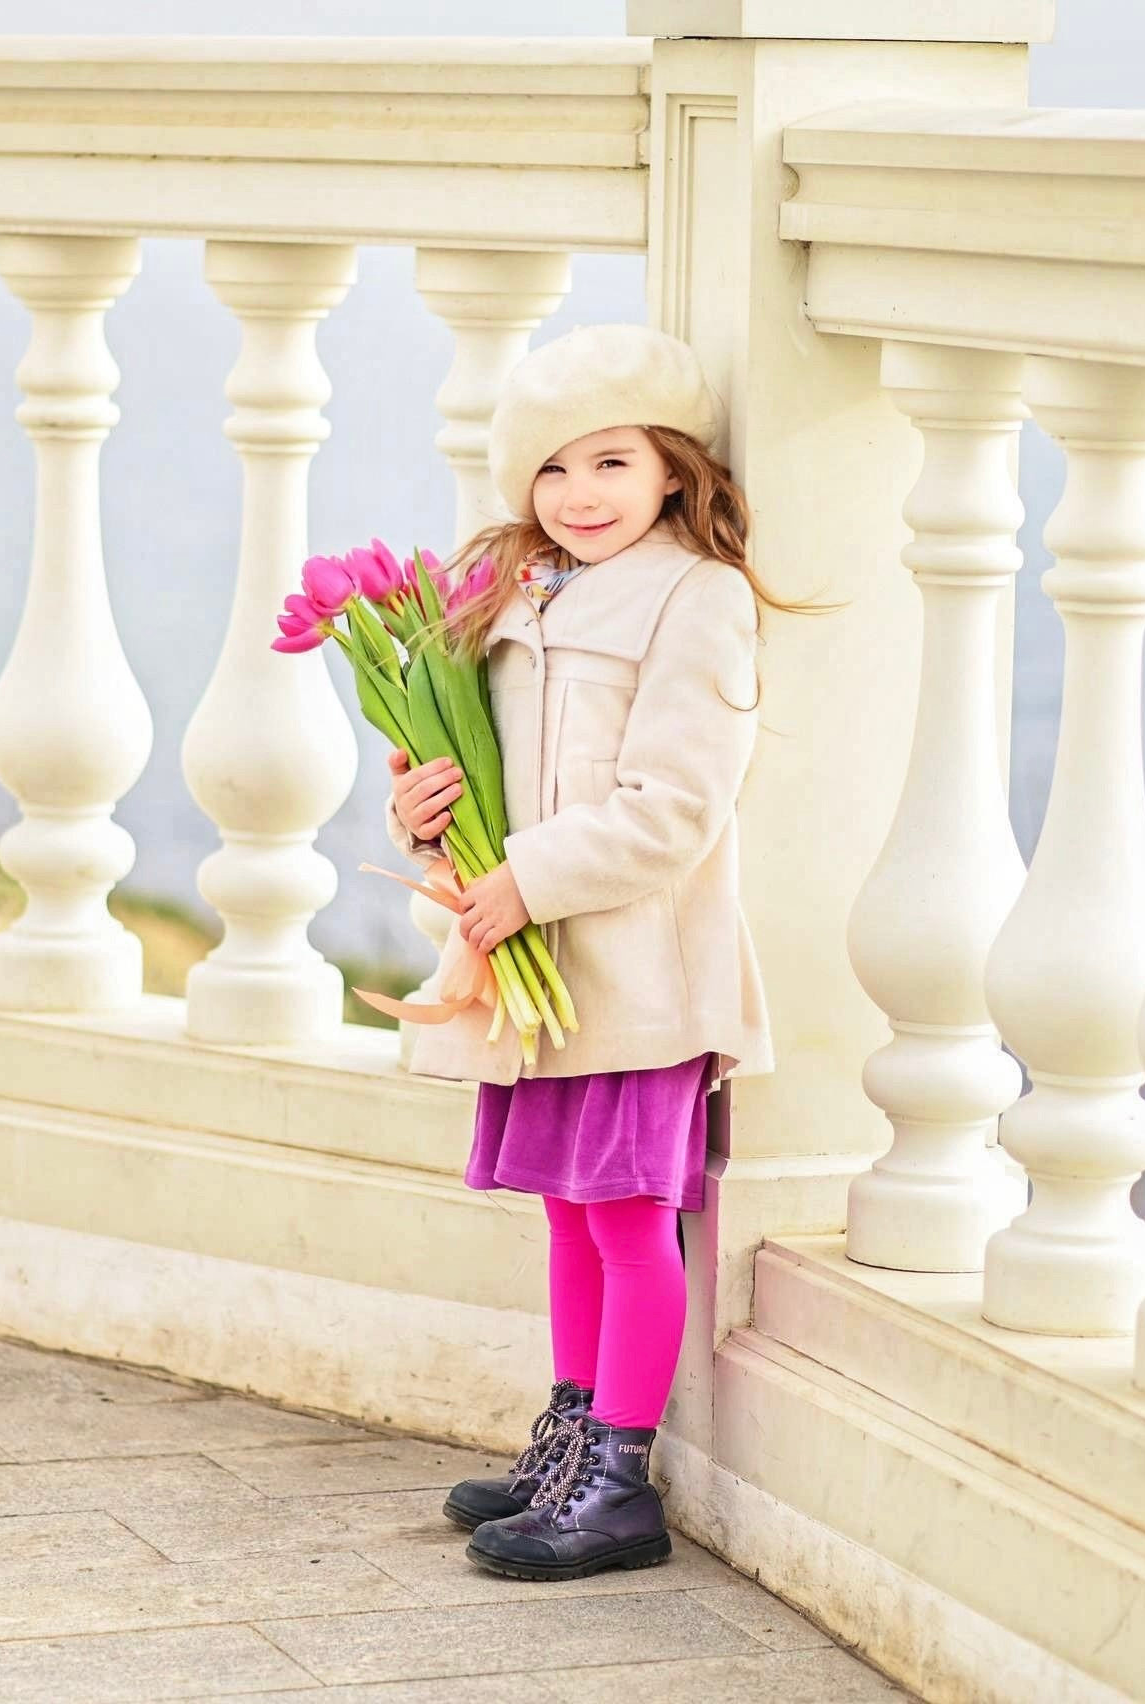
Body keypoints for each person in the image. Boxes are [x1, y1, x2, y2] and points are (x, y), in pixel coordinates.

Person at [383, 322, 797, 1581]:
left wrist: (530, 881)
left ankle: (618, 1480)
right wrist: (421, 817)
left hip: (642, 978)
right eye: (553, 472)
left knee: (627, 1219)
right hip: (537, 976)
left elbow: (677, 806)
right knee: (568, 1216)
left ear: (672, 466)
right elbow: (495, 787)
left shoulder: (696, 597)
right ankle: (565, 1444)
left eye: (611, 463)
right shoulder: (517, 595)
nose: (580, 496)